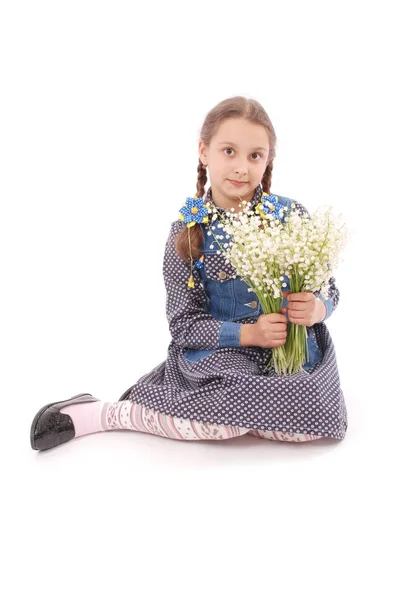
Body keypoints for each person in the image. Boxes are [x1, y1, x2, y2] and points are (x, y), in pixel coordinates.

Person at [30, 96, 347, 451]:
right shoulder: (188, 232)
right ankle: (107, 413)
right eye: (229, 151)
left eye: (255, 155)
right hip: (226, 357)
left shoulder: (290, 217)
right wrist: (250, 334)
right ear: (204, 152)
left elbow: (329, 288)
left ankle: (247, 412)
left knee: (309, 429)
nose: (242, 167)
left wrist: (318, 307)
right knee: (223, 425)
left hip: (292, 354)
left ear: (267, 160)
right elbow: (184, 325)